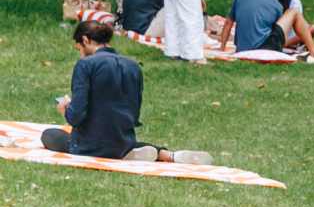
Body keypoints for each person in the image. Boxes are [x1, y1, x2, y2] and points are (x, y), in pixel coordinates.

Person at [42, 21, 211, 165]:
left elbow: (76, 116)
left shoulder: (86, 65)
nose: (80, 53)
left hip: (89, 145)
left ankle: (135, 153)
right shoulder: (133, 66)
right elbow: (134, 112)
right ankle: (167, 155)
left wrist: (65, 109)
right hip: (123, 140)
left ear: (85, 40)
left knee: (49, 135)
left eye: (79, 48)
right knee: (126, 143)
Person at [217, 0, 314, 54]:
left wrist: (222, 48)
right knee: (294, 12)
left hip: (242, 48)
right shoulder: (275, 3)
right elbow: (279, 32)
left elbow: (228, 23)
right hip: (264, 48)